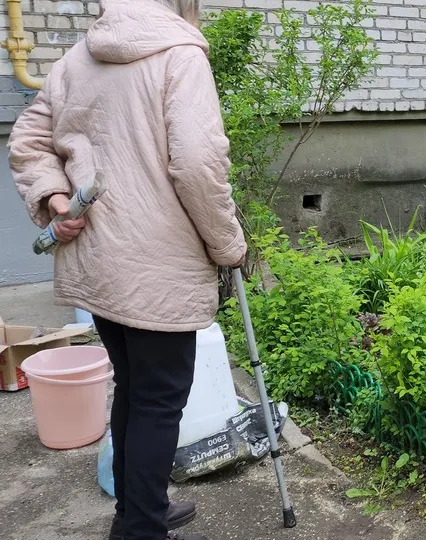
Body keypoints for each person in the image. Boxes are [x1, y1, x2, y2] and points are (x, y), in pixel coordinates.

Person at [8, 0, 245, 538]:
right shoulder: (181, 55)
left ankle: (138, 511)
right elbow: (198, 165)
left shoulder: (76, 58)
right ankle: (141, 527)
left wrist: (54, 197)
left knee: (136, 389)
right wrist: (229, 244)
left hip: (99, 261)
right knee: (158, 400)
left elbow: (27, 140)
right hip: (159, 266)